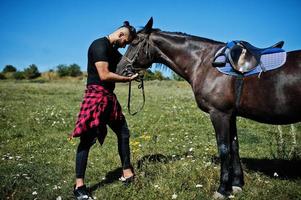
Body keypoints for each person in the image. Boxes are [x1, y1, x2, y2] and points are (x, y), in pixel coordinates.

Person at [70, 21, 138, 200]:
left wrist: (136, 70)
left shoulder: (114, 51)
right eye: (126, 42)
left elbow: (126, 64)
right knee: (87, 140)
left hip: (109, 97)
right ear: (121, 35)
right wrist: (127, 80)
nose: (125, 46)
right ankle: (79, 186)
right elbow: (104, 75)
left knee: (123, 133)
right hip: (96, 97)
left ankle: (127, 172)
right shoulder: (99, 45)